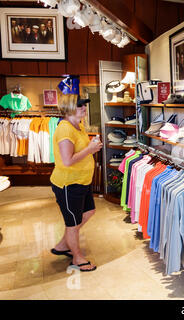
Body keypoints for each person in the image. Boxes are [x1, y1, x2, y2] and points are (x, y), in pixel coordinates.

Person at [49, 95, 102, 272]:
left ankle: (64, 244)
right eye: (80, 106)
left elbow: (80, 151)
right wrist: (90, 149)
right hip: (68, 184)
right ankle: (77, 258)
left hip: (81, 182)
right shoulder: (65, 129)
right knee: (72, 224)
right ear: (69, 107)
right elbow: (67, 161)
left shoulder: (78, 125)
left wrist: (91, 146)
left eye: (84, 105)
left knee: (89, 211)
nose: (84, 108)